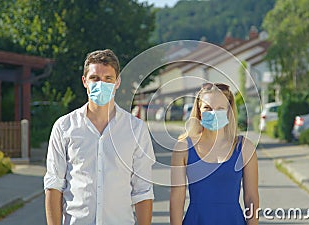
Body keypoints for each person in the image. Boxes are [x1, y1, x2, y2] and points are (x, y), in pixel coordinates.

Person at [44, 49, 155, 225]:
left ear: (117, 82)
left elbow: (143, 190)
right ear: (84, 81)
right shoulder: (64, 127)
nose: (101, 84)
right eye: (95, 78)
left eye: (108, 79)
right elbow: (53, 185)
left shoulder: (136, 129)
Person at [170, 82, 259, 225]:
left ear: (229, 111)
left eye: (220, 109)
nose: (213, 113)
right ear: (199, 111)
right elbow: (177, 198)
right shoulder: (183, 148)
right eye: (207, 108)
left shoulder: (245, 148)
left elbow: (251, 197)